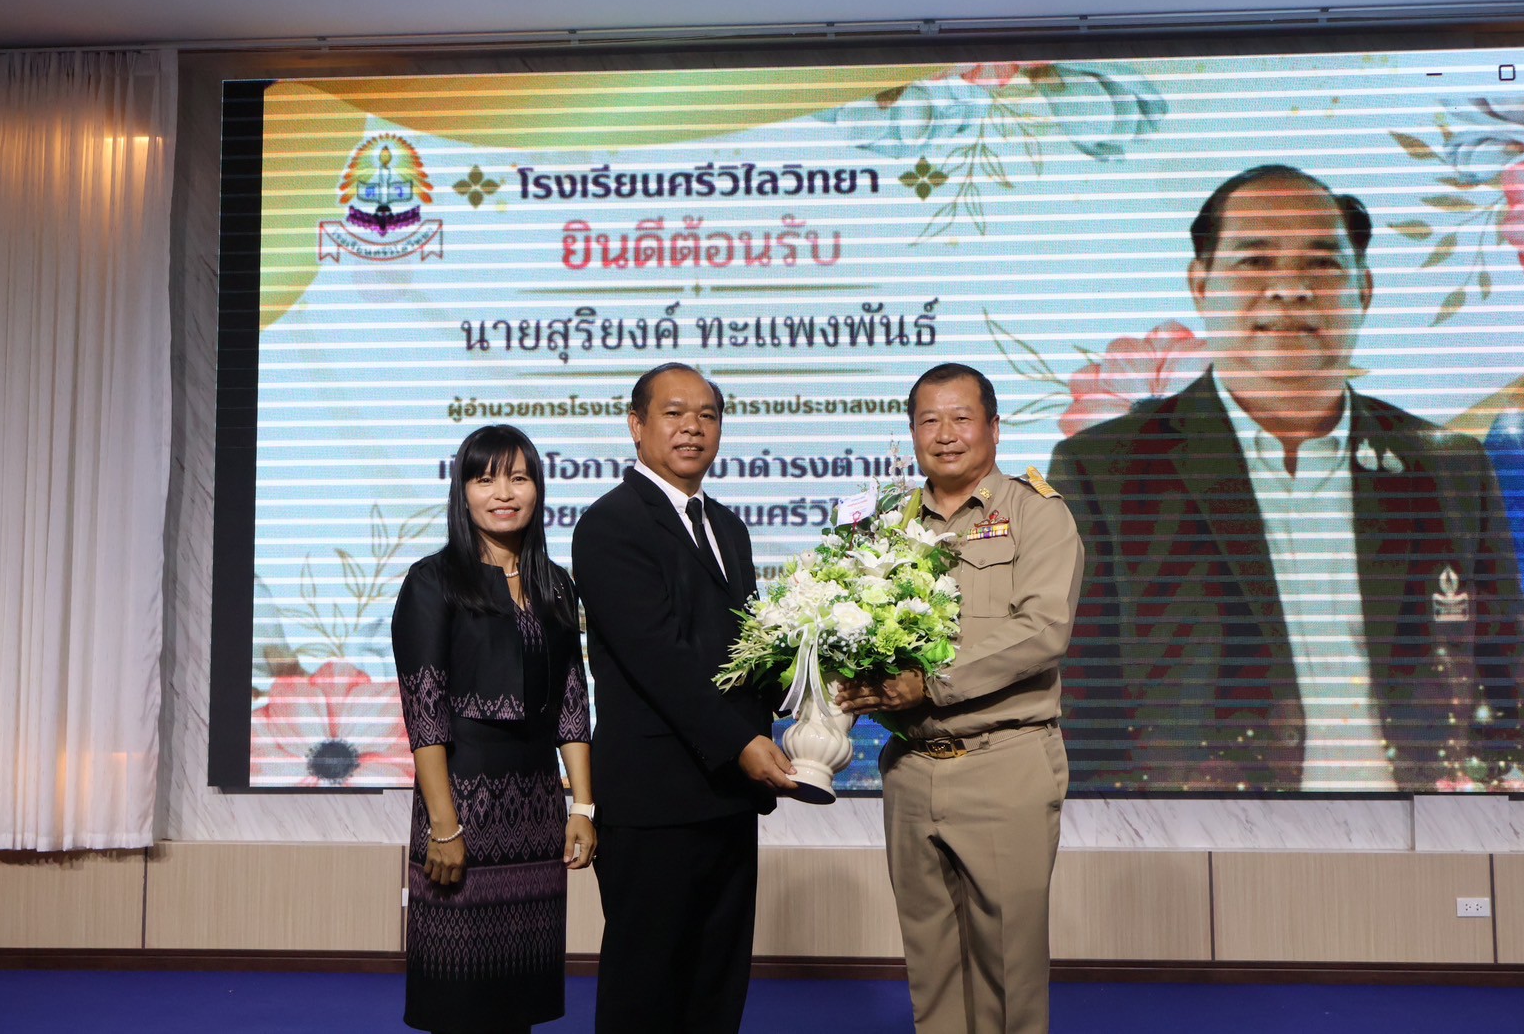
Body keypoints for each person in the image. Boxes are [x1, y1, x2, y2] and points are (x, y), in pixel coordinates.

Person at [1048, 164, 1524, 792]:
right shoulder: (1105, 472)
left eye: (1322, 264)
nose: (1290, 288)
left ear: (1364, 290)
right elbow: (1074, 715)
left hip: (1426, 830)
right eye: (1255, 261)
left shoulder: (1448, 467)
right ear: (1201, 285)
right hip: (1204, 837)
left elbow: (1509, 686)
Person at [839, 363, 1085, 1034]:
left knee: (1008, 968)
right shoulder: (885, 526)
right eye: (929, 420)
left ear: (994, 428)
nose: (945, 434)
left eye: (961, 418)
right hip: (910, 767)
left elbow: (1042, 629)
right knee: (933, 965)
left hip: (1003, 761)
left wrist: (930, 682)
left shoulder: (1037, 514)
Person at [571, 362, 795, 1034]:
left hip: (728, 793)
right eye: (673, 413)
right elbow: (658, 658)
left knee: (716, 984)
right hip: (655, 798)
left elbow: (749, 648)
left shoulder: (728, 526)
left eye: (707, 415)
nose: (692, 428)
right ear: (636, 425)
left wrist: (814, 691)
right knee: (647, 987)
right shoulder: (610, 525)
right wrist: (740, 741)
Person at [391, 424, 595, 1034]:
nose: (503, 493)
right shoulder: (432, 581)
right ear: (463, 492)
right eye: (485, 480)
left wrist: (582, 807)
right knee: (460, 1002)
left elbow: (572, 699)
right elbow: (425, 715)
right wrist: (444, 827)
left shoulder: (555, 582)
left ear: (538, 489)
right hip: (462, 805)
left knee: (517, 1003)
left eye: (518, 478)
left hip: (536, 813)